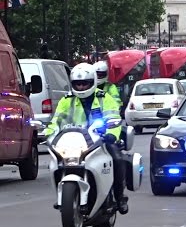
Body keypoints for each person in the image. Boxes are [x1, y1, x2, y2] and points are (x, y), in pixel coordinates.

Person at [44, 62, 129, 215]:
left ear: (92, 82)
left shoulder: (105, 98)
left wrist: (112, 133)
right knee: (57, 162)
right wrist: (48, 133)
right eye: (78, 84)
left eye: (85, 83)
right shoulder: (67, 100)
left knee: (117, 158)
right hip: (74, 140)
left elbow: (113, 117)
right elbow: (57, 120)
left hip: (99, 139)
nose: (81, 87)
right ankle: (63, 197)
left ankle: (120, 196)